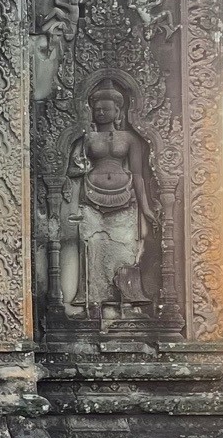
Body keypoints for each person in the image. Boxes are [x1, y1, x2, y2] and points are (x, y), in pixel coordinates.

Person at [64, 82, 157, 314]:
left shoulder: (130, 139)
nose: (101, 113)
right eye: (97, 109)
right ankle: (93, 300)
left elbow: (138, 175)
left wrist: (146, 207)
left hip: (125, 198)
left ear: (118, 111)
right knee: (92, 249)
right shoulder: (87, 138)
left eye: (106, 109)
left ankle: (126, 297)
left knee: (124, 249)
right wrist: (81, 166)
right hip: (91, 197)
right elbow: (73, 168)